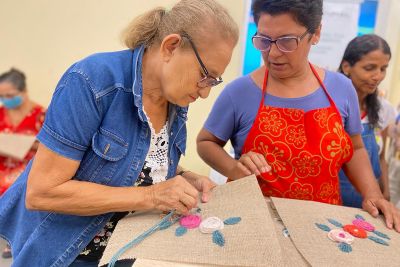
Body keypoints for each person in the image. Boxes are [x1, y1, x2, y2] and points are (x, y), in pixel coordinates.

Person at [0, 1, 239, 266]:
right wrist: (152, 195)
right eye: (205, 75)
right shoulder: (93, 81)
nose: (205, 92)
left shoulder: (175, 99)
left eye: (213, 82)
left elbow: (140, 160)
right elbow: (42, 192)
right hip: (65, 254)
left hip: (122, 250)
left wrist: (184, 177)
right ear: (171, 46)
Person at [197, 0, 400, 232]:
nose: (272, 53)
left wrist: (373, 195)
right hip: (256, 223)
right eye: (264, 40)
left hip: (324, 225)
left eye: (286, 41)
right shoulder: (239, 93)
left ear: (316, 34)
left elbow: (355, 148)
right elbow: (206, 143)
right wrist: (234, 169)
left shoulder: (342, 89)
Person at [337, 35, 396, 208]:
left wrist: (385, 193)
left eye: (383, 69)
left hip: (368, 203)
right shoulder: (332, 107)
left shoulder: (384, 110)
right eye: (370, 68)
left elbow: (381, 157)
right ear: (347, 67)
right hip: (333, 200)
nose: (378, 76)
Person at [0, 68, 46, 259]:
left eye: (10, 95)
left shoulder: (41, 115)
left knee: (20, 188)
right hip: (3, 166)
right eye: (1, 96)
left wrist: (27, 145)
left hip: (28, 168)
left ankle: (15, 239)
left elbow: (49, 148)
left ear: (23, 92)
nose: (5, 100)